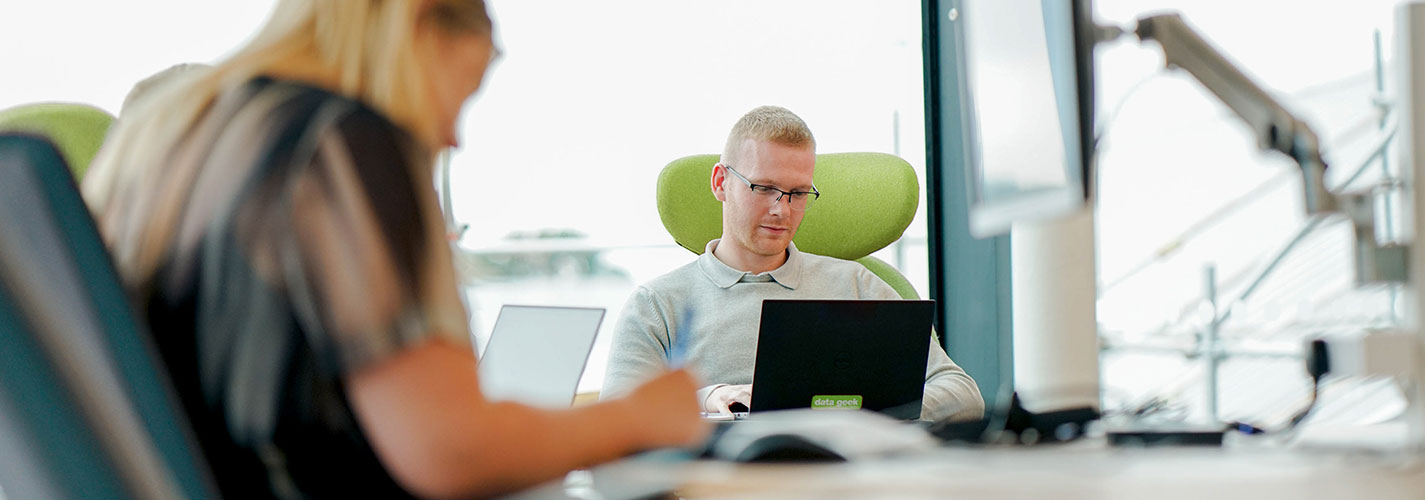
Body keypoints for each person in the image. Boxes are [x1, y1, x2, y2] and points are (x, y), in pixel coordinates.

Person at [82, 1, 705, 498]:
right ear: (418, 18)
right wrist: (638, 417)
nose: (452, 138)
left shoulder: (167, 133)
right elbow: (452, 450)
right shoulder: (340, 142)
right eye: (461, 94)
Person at [602, 105, 985, 422]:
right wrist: (708, 397)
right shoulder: (657, 304)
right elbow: (614, 421)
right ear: (721, 182)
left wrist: (862, 412)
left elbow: (962, 394)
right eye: (764, 188)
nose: (781, 209)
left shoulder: (857, 285)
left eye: (798, 193)